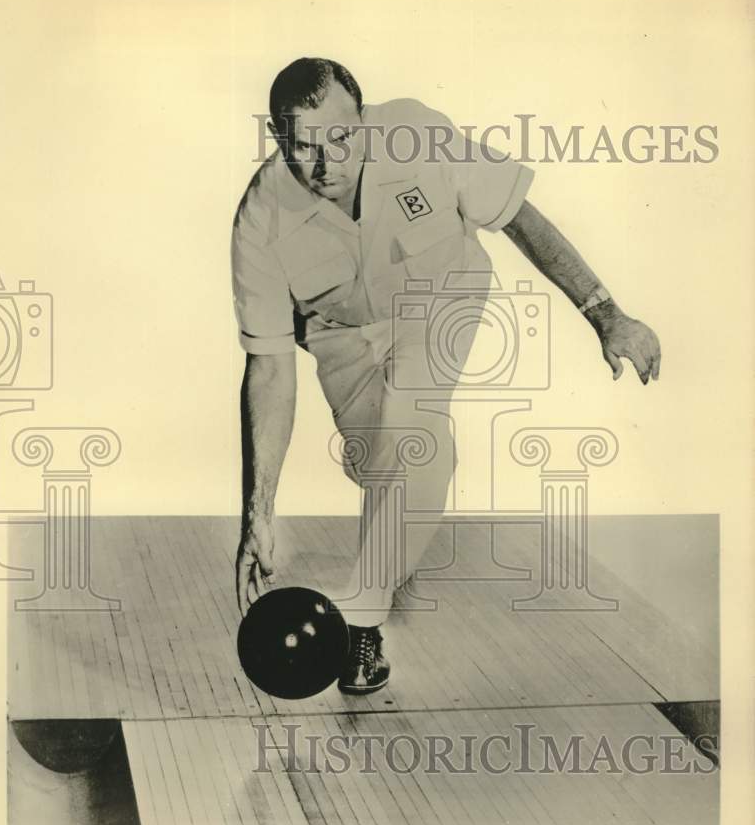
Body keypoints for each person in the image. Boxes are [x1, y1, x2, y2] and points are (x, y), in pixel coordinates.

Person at [231, 57, 660, 695]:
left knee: (416, 436)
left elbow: (520, 218)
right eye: (302, 148)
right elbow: (269, 370)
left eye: (340, 139)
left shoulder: (419, 135)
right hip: (343, 334)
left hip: (441, 299)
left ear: (365, 120)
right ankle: (389, 536)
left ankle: (362, 622)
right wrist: (258, 513)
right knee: (380, 463)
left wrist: (607, 314)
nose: (325, 165)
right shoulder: (260, 220)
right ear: (277, 140)